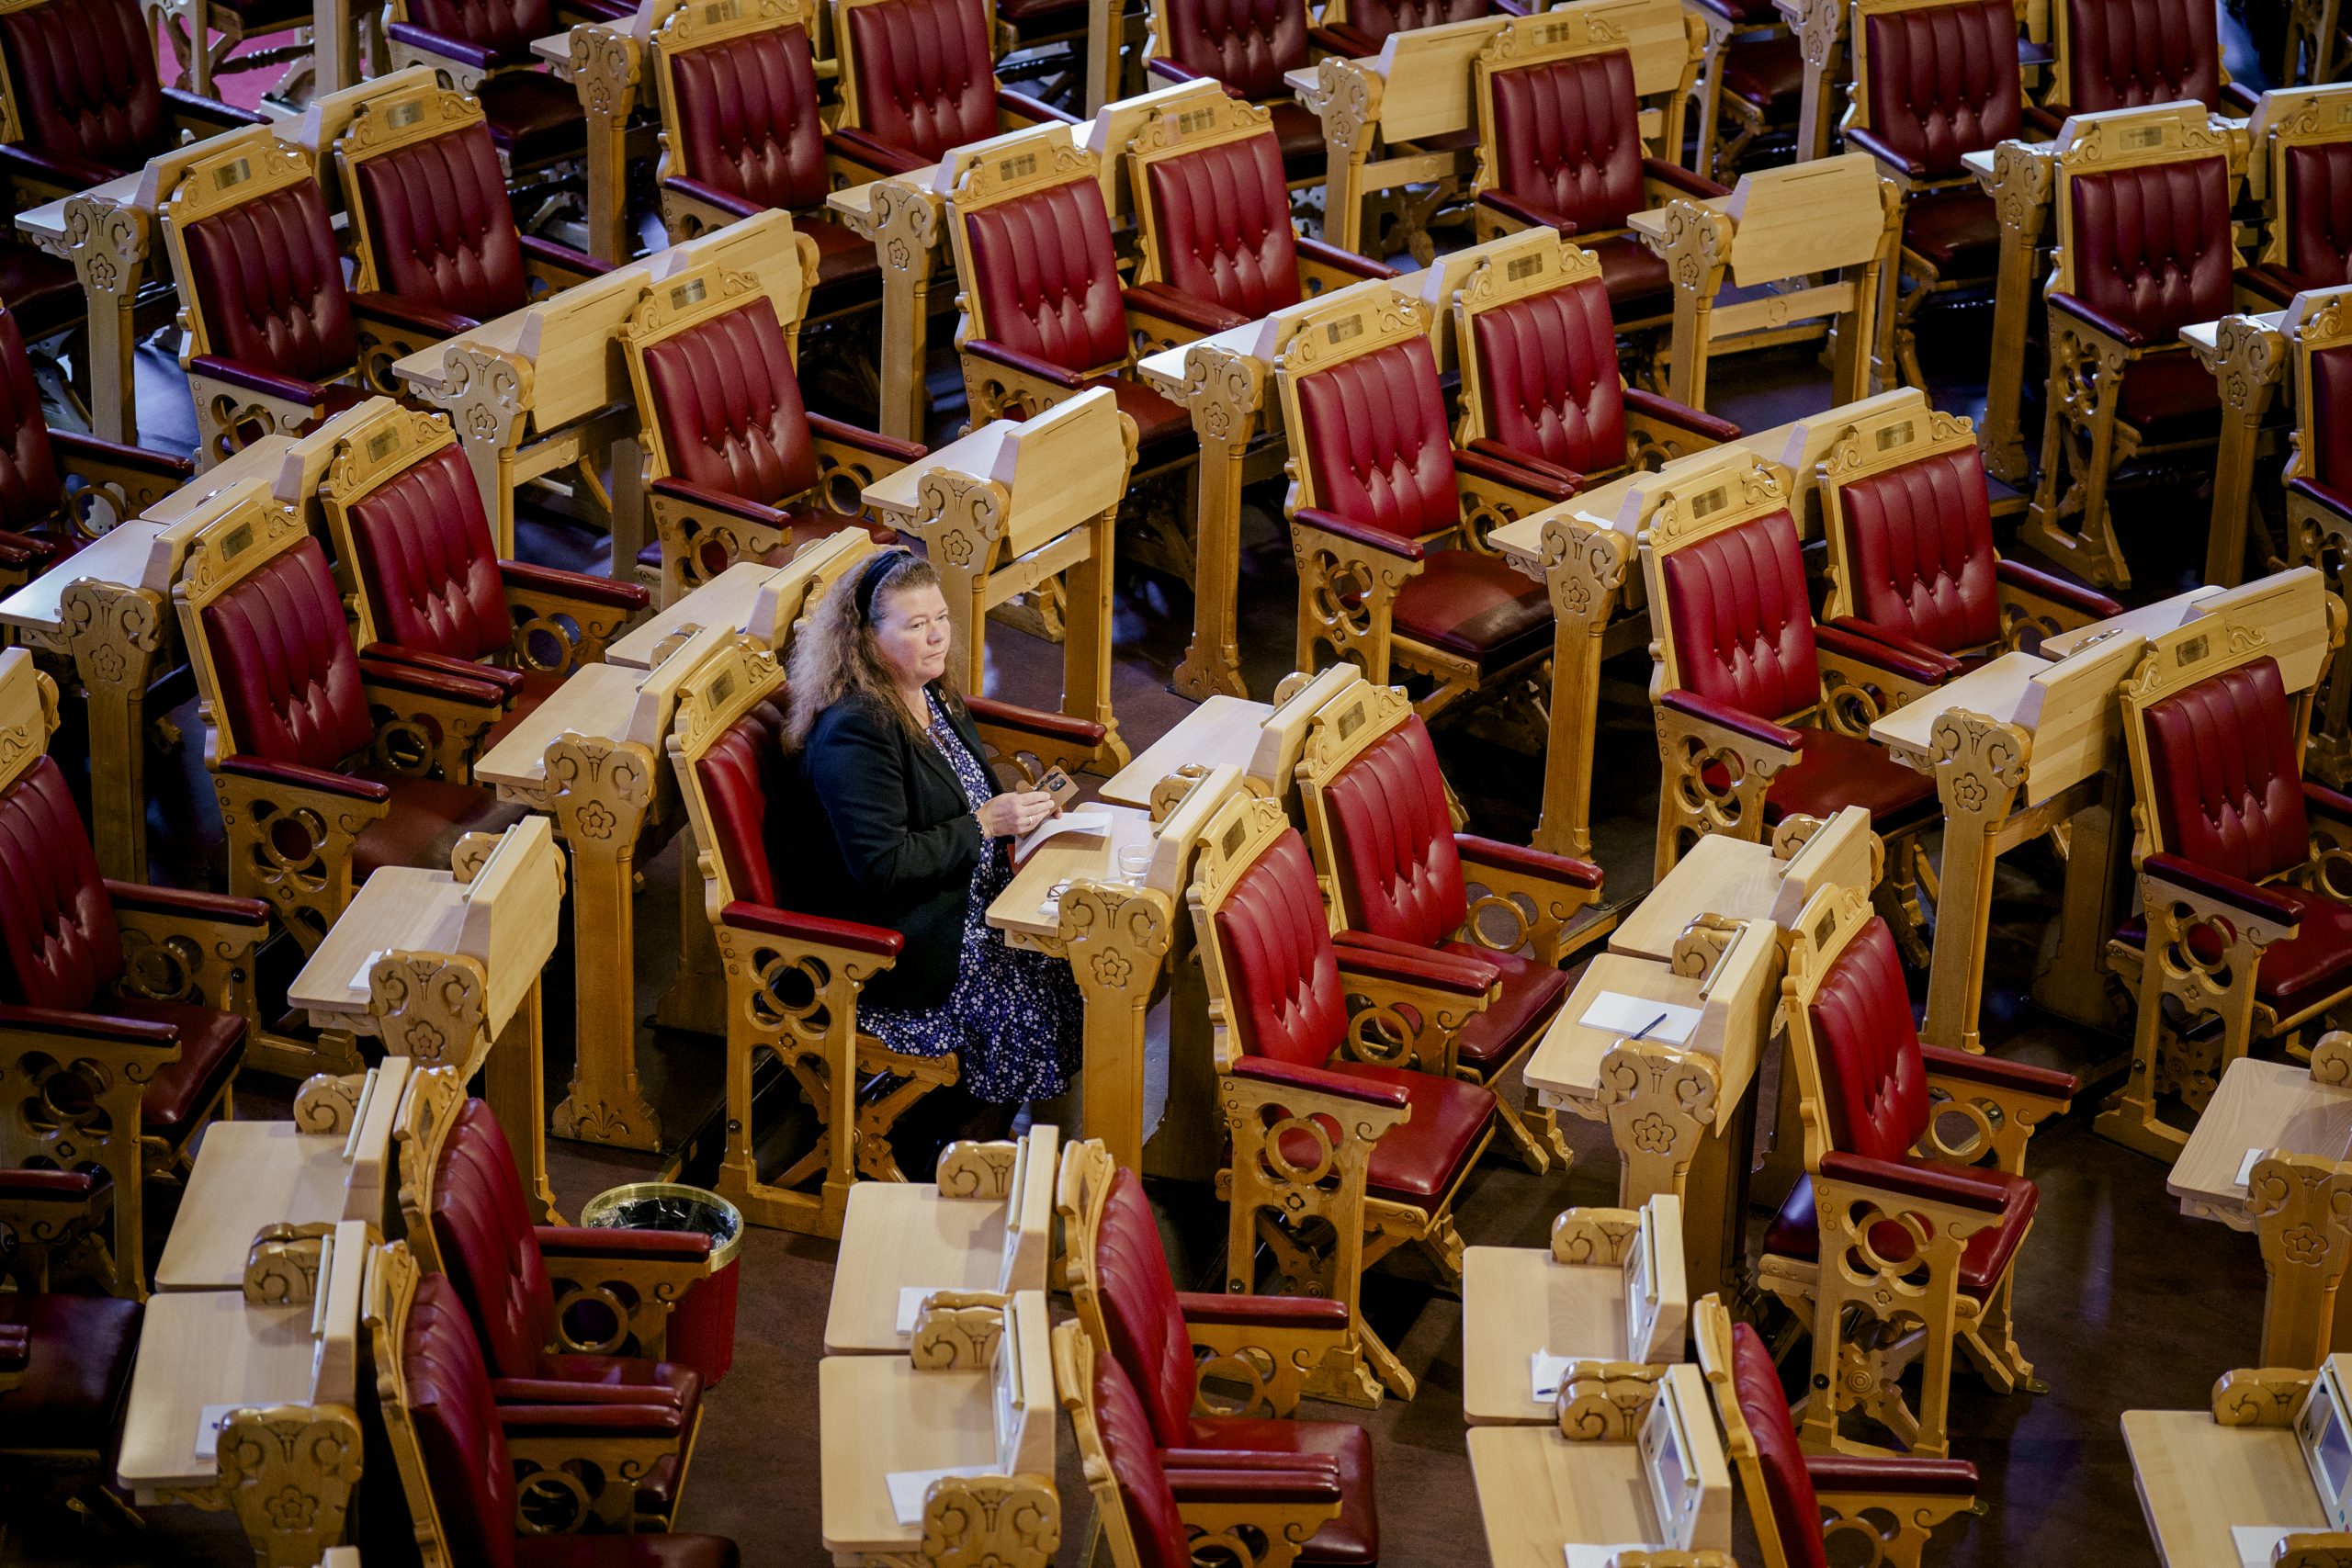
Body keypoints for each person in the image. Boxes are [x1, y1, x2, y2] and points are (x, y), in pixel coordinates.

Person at [786, 547, 1084, 1157]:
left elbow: (968, 799)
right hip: (893, 944)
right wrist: (987, 823)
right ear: (868, 638)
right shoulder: (856, 727)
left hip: (962, 899)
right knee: (1032, 979)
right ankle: (967, 1151)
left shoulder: (931, 693)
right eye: (916, 625)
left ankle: (1003, 1134)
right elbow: (883, 865)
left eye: (941, 617)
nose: (937, 635)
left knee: (1075, 945)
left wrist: (1020, 820)